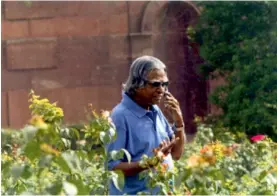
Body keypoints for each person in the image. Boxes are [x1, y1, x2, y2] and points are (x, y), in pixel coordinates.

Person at [107, 55, 186, 195]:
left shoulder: (154, 110)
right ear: (137, 84)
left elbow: (176, 154)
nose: (161, 90)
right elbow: (113, 167)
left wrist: (179, 122)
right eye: (155, 84)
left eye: (165, 84)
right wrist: (151, 162)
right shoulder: (120, 116)